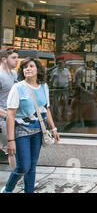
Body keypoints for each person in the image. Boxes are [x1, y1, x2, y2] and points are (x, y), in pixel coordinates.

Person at [1, 57, 60, 193]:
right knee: (23, 166)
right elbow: (10, 115)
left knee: (32, 166)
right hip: (22, 131)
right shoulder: (18, 87)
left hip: (38, 132)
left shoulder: (44, 86)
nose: (27, 69)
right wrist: (11, 141)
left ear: (38, 69)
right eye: (25, 67)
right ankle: (8, 189)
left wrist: (53, 128)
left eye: (31, 66)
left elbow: (46, 109)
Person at [0, 49, 19, 176]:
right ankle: (17, 178)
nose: (17, 60)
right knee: (11, 150)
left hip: (12, 118)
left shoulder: (14, 74)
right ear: (4, 59)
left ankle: (17, 177)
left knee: (12, 149)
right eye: (13, 57)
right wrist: (7, 116)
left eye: (17, 57)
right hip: (3, 119)